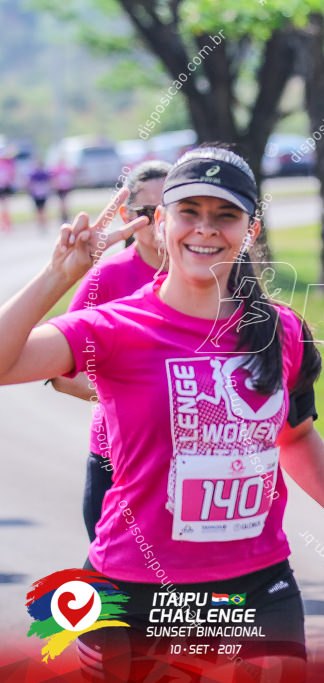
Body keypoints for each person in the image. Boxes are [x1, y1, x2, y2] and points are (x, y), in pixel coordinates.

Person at [0, 147, 324, 681]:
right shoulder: (114, 329)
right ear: (161, 223)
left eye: (225, 215)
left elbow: (295, 438)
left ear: (249, 231)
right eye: (190, 212)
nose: (205, 230)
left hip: (257, 588)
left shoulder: (279, 331)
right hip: (132, 596)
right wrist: (56, 276)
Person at [50, 160, 170, 543]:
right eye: (147, 213)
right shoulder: (108, 278)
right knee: (114, 588)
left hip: (192, 461)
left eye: (171, 209)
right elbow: (60, 374)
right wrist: (135, 398)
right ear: (126, 215)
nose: (158, 222)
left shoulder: (208, 277)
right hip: (118, 458)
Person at [27, 161, 50, 231]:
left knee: (41, 210)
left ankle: (42, 225)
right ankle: (41, 225)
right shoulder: (34, 174)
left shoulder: (43, 174)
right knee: (40, 210)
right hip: (37, 194)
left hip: (41, 194)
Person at [52, 157, 75, 223]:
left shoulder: (65, 169)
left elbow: (70, 176)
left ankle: (65, 217)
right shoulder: (57, 170)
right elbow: (54, 178)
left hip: (65, 188)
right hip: (60, 188)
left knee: (64, 203)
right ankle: (63, 217)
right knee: (62, 203)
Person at [0, 149, 14, 232]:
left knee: (5, 206)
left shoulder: (8, 164)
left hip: (5, 187)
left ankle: (7, 223)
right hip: (2, 187)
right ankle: (4, 224)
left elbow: (11, 175)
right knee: (4, 206)